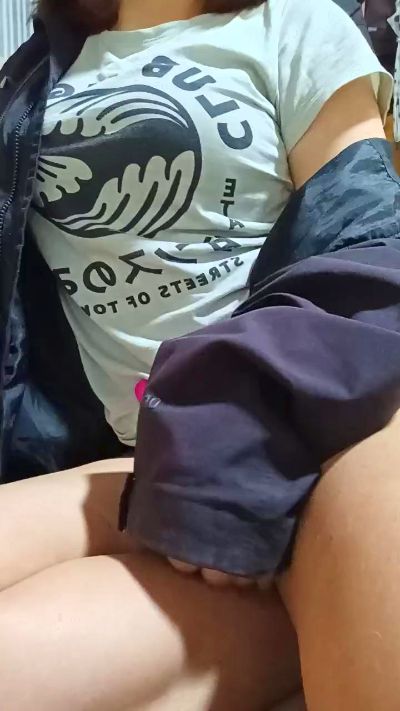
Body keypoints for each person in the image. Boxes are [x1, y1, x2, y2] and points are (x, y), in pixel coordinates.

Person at [0, 0, 398, 709]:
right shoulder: (34, 73)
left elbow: (367, 247)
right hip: (138, 460)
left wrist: (235, 434)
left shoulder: (295, 24)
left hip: (309, 425)